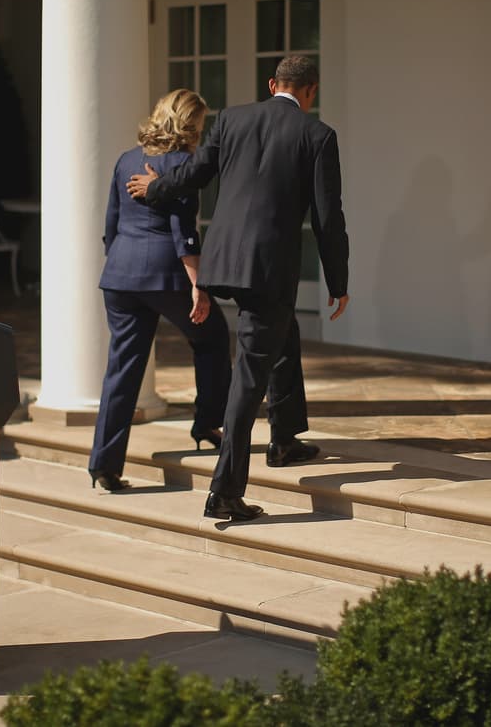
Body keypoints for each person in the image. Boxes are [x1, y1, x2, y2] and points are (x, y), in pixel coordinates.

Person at [126, 55, 350, 521]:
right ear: (311, 92)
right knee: (249, 376)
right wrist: (338, 279)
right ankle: (225, 491)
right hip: (268, 270)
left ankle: (285, 440)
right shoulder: (318, 135)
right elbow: (329, 218)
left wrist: (156, 187)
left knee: (282, 335)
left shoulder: (232, 118)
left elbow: (196, 175)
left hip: (224, 260)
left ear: (273, 84)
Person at [88, 89, 232, 492]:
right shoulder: (184, 164)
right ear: (188, 125)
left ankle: (104, 464)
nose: (201, 133)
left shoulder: (126, 159)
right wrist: (198, 286)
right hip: (164, 275)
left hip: (119, 275)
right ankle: (207, 423)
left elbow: (110, 224)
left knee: (123, 368)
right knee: (213, 337)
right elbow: (182, 229)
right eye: (200, 125)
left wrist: (119, 263)